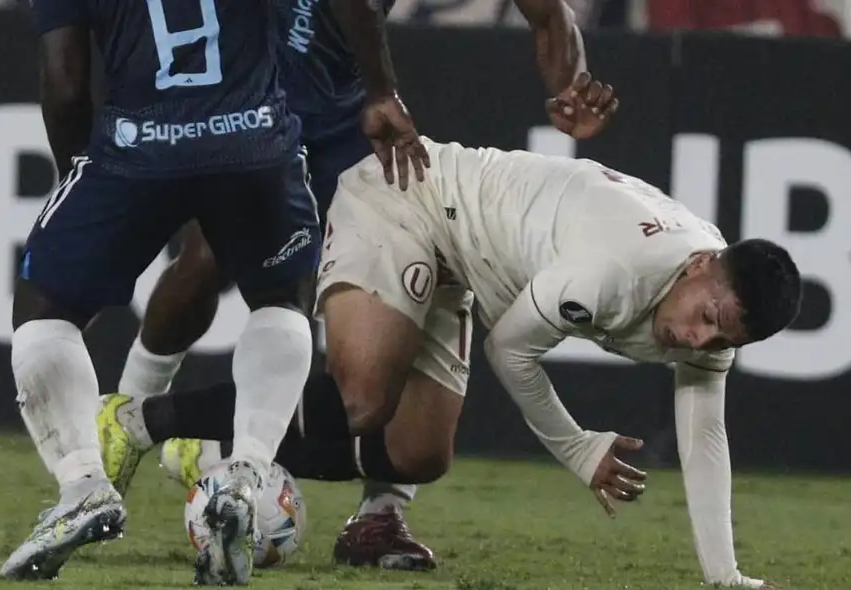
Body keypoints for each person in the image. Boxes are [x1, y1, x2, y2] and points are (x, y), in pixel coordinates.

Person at [104, 88, 801, 588]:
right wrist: (577, 447)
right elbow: (512, 350)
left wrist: (725, 577)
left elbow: (706, 437)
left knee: (418, 453)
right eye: (706, 316)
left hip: (469, 261)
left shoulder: (716, 316)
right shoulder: (611, 273)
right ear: (702, 264)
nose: (696, 338)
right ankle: (137, 420)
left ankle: (213, 447)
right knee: (364, 403)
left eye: (720, 338)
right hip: (411, 198)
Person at [109, 0, 591, 571]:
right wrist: (383, 91)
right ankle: (121, 417)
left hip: (346, 96)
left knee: (413, 243)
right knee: (210, 256)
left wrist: (572, 87)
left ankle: (379, 513)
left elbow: (550, 16)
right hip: (267, 75)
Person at [0, 0, 426, 584]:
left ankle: (83, 484)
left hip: (137, 146)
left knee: (43, 310)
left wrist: (87, 178)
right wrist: (380, 90)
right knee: (281, 300)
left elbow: (68, 86)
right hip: (252, 141)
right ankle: (246, 473)